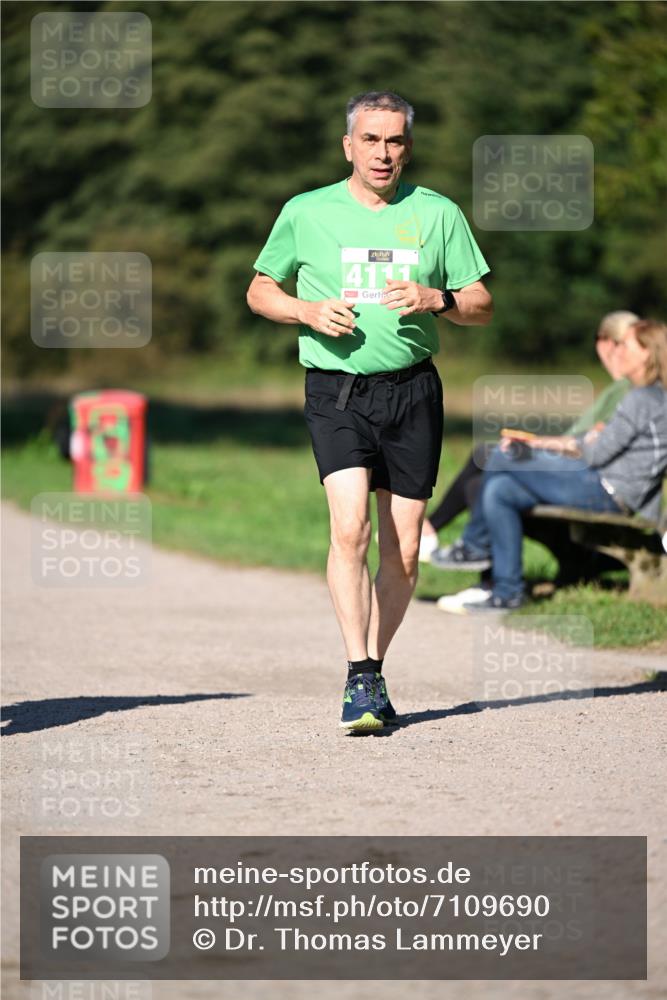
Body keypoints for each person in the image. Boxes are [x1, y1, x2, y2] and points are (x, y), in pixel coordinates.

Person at [247, 90, 492, 729]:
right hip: (337, 391)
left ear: (407, 147)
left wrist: (436, 298)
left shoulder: (438, 214)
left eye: (396, 141)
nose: (384, 154)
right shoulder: (306, 212)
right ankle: (358, 672)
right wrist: (304, 310)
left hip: (414, 391)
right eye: (372, 140)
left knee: (404, 552)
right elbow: (259, 289)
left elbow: (482, 304)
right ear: (348, 146)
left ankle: (372, 670)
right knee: (351, 529)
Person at [433, 319, 667, 612]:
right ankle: (508, 591)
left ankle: (475, 545)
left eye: (625, 345)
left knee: (501, 454)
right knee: (501, 489)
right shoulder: (647, 396)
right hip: (602, 485)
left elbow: (595, 455)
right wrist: (542, 444)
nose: (618, 352)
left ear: (646, 353)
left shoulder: (642, 399)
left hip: (608, 492)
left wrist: (589, 441)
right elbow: (593, 445)